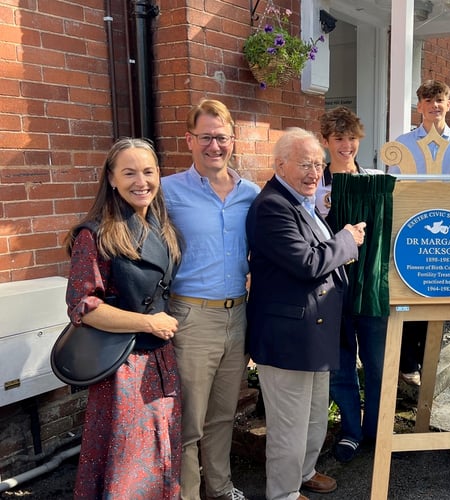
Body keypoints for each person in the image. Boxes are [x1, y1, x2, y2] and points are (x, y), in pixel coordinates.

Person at [246, 128, 366, 500]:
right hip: (288, 337)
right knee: (289, 424)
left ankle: (304, 472)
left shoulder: (302, 200)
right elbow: (308, 263)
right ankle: (282, 493)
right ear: (280, 165)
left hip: (312, 332)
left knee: (314, 414)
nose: (315, 172)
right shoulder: (272, 207)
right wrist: (347, 239)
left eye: (318, 163)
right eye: (305, 164)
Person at [65, 138, 182, 499]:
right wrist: (149, 322)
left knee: (161, 453)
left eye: (148, 172)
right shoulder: (95, 233)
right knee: (128, 463)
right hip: (123, 367)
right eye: (129, 173)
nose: (141, 181)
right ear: (112, 179)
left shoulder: (162, 228)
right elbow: (82, 304)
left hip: (161, 358)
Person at [162, 99, 260, 500]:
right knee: (189, 420)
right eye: (205, 137)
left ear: (233, 140)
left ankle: (220, 488)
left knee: (223, 413)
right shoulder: (167, 191)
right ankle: (187, 493)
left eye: (221, 137)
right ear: (189, 140)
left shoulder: (251, 194)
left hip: (237, 314)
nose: (214, 146)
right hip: (190, 317)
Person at [316, 107, 388, 463]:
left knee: (378, 364)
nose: (346, 145)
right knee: (341, 363)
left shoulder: (376, 178)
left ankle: (376, 431)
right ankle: (350, 431)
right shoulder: (316, 185)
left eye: (352, 138)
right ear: (326, 142)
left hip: (372, 287)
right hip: (333, 290)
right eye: (339, 139)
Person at [390, 80, 450, 386]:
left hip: (449, 231)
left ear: (448, 105)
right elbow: (394, 189)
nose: (434, 106)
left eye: (439, 100)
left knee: (438, 296)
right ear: (419, 106)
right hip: (413, 231)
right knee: (411, 294)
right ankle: (408, 362)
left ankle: (428, 363)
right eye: (428, 100)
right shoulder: (402, 143)